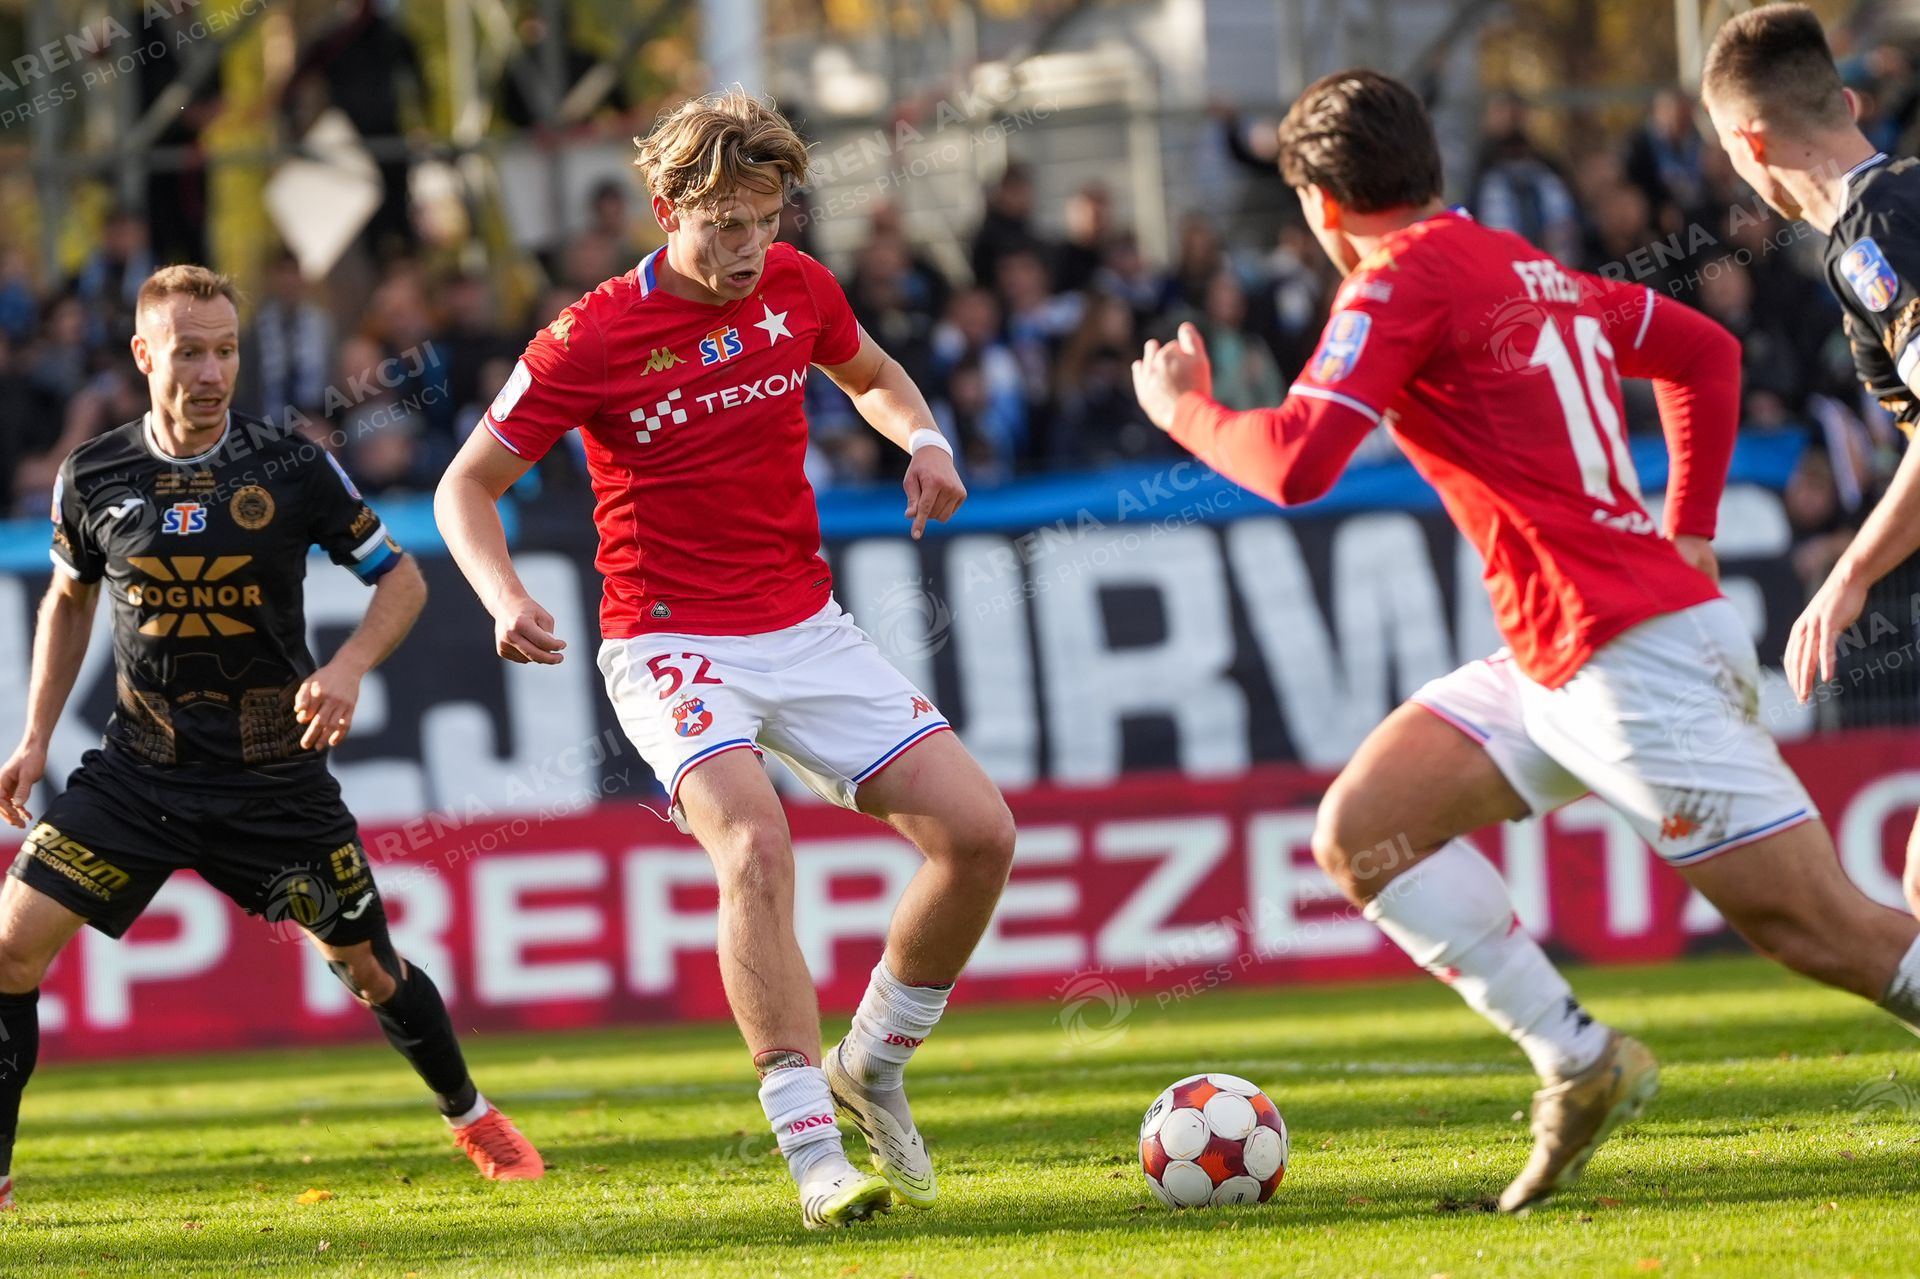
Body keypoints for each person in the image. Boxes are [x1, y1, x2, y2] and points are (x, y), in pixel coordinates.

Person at [1132, 69, 1920, 1213]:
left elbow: (1295, 463)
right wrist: (1689, 533)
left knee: (1831, 933)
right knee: (1366, 831)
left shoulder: (1397, 277)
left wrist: (1183, 411)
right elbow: (1703, 352)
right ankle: (1577, 1056)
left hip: (1630, 659)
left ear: (1321, 204)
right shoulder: (1520, 265)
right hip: (1567, 654)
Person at [434, 90, 1016, 1230]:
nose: (751, 247)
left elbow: (874, 375)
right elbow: (467, 485)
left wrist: (926, 440)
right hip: (670, 639)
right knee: (754, 843)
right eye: (725, 225)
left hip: (806, 624)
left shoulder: (798, 285)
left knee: (981, 836)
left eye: (767, 218)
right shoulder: (590, 335)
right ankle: (814, 1155)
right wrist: (505, 595)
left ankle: (871, 1060)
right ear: (667, 212)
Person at [0, 266, 545, 1211]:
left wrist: (348, 668)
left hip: (272, 780)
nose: (212, 372)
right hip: (137, 772)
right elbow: (70, 598)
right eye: (189, 352)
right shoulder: (93, 474)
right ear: (143, 355)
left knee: (369, 970)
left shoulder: (289, 465)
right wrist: (34, 735)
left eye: (225, 351)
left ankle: (468, 1110)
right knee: (8, 952)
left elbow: (402, 578)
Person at [1701, 2, 1920, 917]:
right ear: (1846, 101)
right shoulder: (1893, 206)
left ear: (1749, 142)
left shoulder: (1875, 235)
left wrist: (1849, 576)